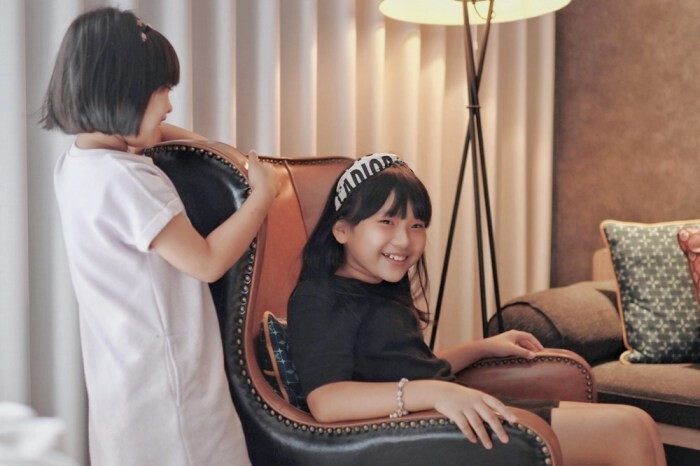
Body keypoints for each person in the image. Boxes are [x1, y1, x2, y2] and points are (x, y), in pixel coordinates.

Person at [287, 153, 666, 466]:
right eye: (387, 221)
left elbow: (415, 366)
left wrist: (484, 347)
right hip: (417, 433)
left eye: (417, 225)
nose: (404, 240)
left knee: (639, 421)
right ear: (342, 230)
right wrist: (434, 394)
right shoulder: (318, 297)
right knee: (626, 431)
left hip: (449, 414)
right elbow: (327, 400)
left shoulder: (383, 287)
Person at [41, 7, 279, 466]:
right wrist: (262, 196)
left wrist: (222, 152)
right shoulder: (130, 181)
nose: (169, 105)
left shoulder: (78, 164)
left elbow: (160, 132)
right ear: (122, 95)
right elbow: (206, 261)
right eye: (162, 91)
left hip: (121, 378)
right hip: (171, 387)